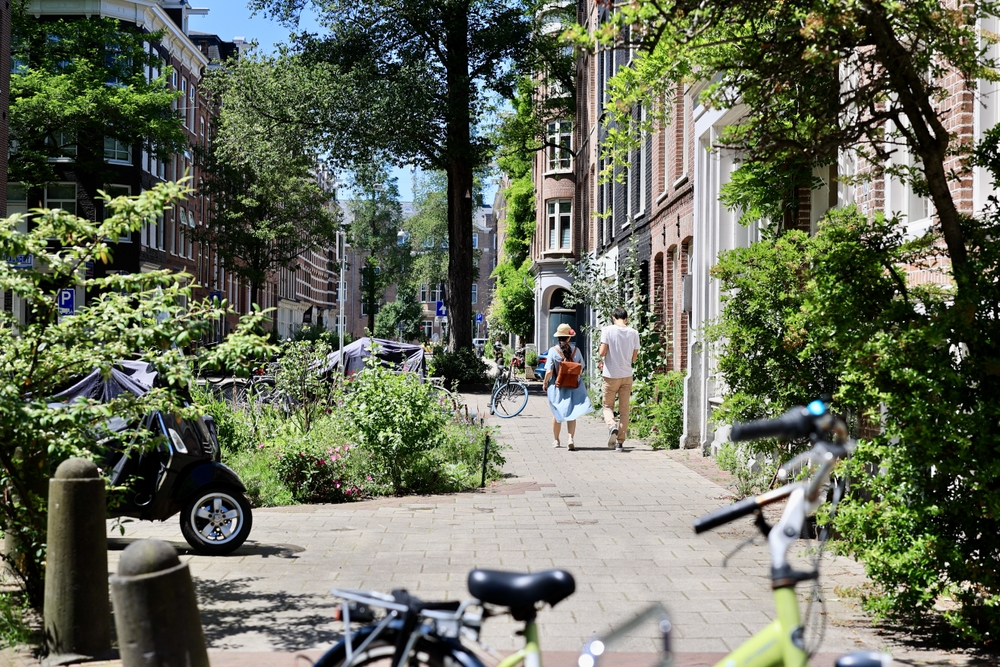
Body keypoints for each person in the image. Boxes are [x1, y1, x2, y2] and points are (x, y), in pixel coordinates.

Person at [543, 323, 592, 451]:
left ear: (558, 337)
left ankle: (556, 440)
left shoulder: (553, 351)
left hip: (558, 387)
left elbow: (548, 372)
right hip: (574, 386)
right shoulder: (576, 350)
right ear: (569, 337)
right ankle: (570, 438)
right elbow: (581, 368)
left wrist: (545, 383)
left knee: (557, 413)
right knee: (572, 413)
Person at [599, 307, 640, 451]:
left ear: (613, 318)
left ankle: (612, 426)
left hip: (611, 375)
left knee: (607, 406)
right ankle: (620, 442)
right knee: (624, 409)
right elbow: (634, 358)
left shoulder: (607, 330)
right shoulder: (634, 333)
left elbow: (602, 352)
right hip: (627, 375)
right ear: (627, 319)